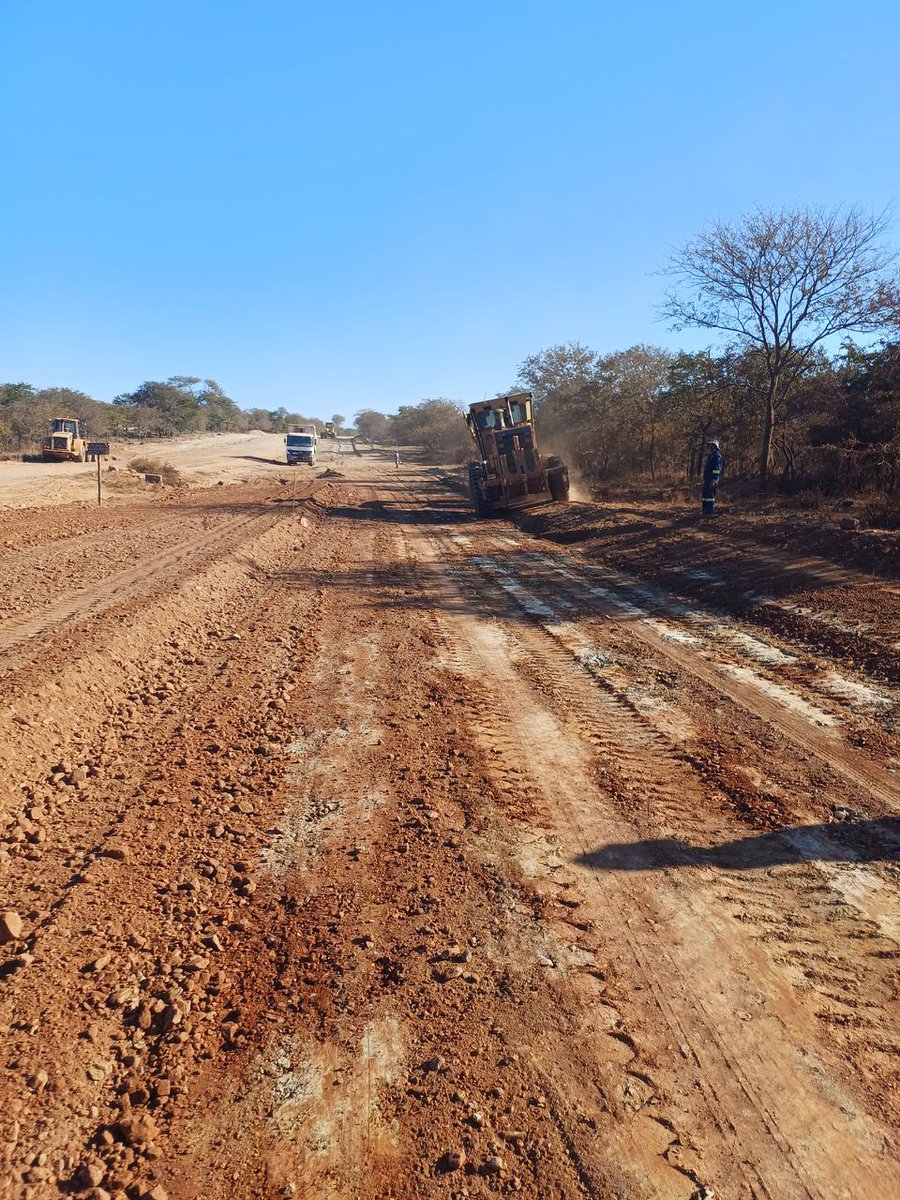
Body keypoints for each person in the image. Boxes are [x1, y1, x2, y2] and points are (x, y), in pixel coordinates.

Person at [701, 438, 723, 516]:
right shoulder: (711, 456)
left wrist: (714, 480)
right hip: (707, 480)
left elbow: (717, 470)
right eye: (709, 445)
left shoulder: (717, 456)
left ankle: (710, 512)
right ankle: (705, 511)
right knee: (705, 495)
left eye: (711, 445)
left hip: (712, 480)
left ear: (715, 446)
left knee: (710, 496)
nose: (709, 447)